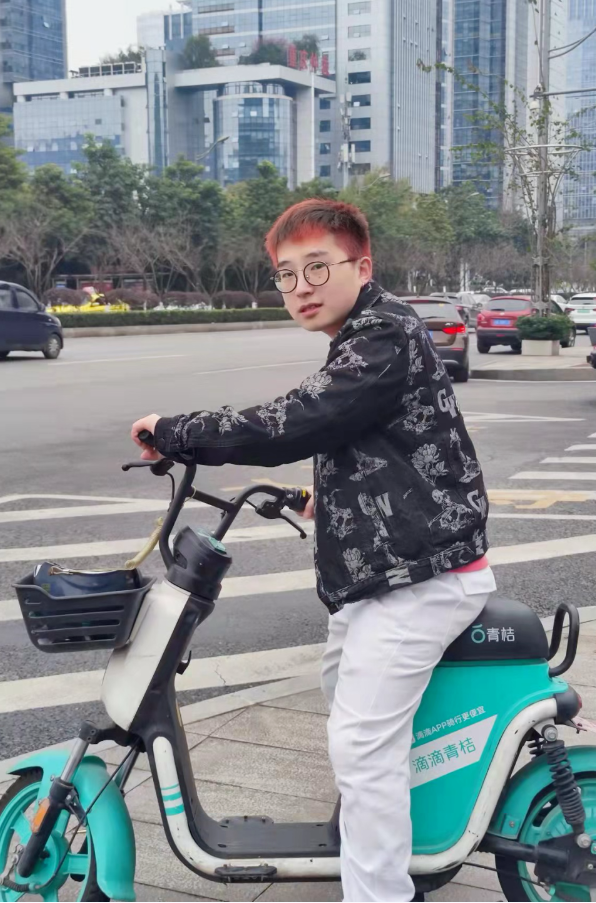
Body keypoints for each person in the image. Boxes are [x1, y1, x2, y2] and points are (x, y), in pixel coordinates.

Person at [131, 199, 495, 903]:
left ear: (362, 266)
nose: (301, 287)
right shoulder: (364, 334)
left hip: (420, 579)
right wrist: (320, 498)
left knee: (361, 744)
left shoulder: (383, 333)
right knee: (346, 707)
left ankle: (380, 892)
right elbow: (380, 440)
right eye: (286, 274)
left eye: (317, 268)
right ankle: (383, 835)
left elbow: (296, 420)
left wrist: (176, 430)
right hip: (386, 573)